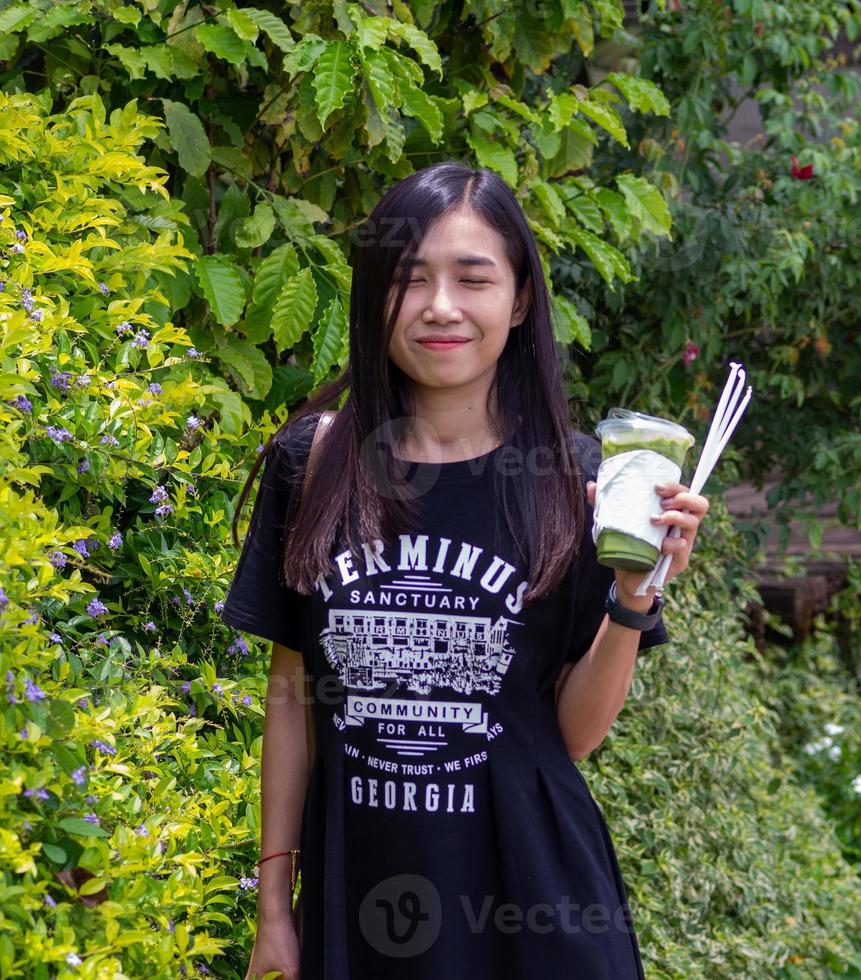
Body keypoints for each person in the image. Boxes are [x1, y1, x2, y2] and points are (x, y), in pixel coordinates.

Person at [220, 162, 710, 979]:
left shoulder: (577, 480)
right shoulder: (315, 464)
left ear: (518, 302)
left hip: (534, 912)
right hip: (357, 903)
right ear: (374, 298)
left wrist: (635, 592)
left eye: (472, 278)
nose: (440, 307)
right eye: (410, 280)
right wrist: (274, 907)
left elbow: (572, 737)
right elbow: (290, 700)